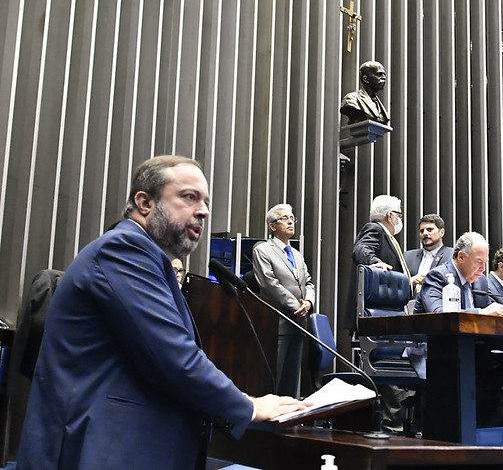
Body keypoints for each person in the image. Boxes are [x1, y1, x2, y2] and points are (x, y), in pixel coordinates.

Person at [17, 155, 310, 469]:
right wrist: (248, 407)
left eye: (205, 201)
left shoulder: (153, 262)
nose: (204, 210)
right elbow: (173, 356)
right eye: (189, 197)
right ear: (145, 202)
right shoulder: (124, 250)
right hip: (97, 450)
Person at [350, 195, 412, 433]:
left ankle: (394, 427)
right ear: (391, 216)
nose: (400, 219)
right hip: (375, 322)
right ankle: (390, 429)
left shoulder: (389, 238)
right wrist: (374, 261)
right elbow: (360, 249)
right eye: (400, 213)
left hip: (386, 320)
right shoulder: (375, 229)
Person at [251, 203, 315, 398]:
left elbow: (309, 282)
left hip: (298, 322)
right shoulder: (263, 250)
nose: (290, 222)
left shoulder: (296, 254)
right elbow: (270, 284)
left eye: (292, 218)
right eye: (285, 218)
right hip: (277, 322)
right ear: (272, 226)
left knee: (292, 379)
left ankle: (289, 418)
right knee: (273, 377)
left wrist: (309, 303)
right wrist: (297, 306)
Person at [414, 232, 503, 317]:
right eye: (478, 261)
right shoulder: (437, 276)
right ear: (461, 257)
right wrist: (480, 312)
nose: (483, 268)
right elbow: (438, 314)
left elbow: (488, 310)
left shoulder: (481, 281)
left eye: (485, 262)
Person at [404, 214, 454, 294]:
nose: (425, 233)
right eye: (422, 231)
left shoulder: (452, 255)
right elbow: (397, 284)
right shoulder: (408, 257)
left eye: (429, 229)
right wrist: (412, 280)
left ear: (442, 232)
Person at [339, 60, 389, 125]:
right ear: (366, 79)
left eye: (384, 75)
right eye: (379, 74)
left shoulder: (378, 103)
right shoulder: (351, 99)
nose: (384, 78)